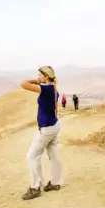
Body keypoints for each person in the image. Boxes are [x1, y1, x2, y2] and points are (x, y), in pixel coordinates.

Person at [19, 66, 63, 200]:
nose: (38, 76)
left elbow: (23, 84)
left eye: (40, 75)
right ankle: (56, 182)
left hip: (47, 128)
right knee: (53, 154)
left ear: (46, 77)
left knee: (32, 156)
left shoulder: (47, 89)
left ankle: (35, 187)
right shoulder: (53, 90)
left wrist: (38, 81)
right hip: (53, 125)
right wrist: (41, 80)